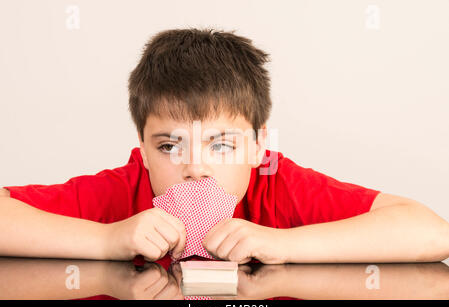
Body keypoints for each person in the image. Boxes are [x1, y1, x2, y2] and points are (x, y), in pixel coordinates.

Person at [1, 28, 448, 265]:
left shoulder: (279, 185)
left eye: (221, 145)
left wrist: (286, 244)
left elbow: (430, 232)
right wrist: (105, 239)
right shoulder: (125, 188)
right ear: (142, 148)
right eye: (170, 145)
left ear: (258, 146)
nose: (195, 167)